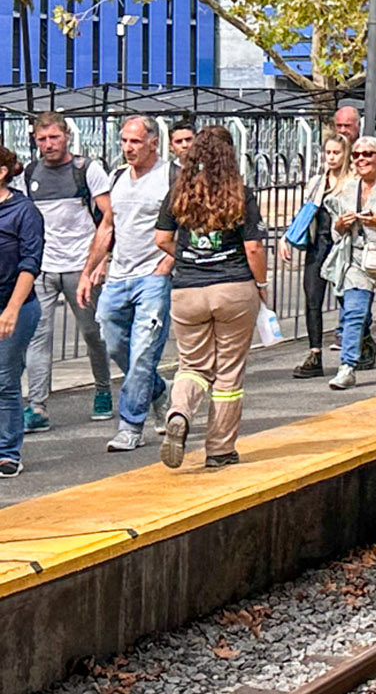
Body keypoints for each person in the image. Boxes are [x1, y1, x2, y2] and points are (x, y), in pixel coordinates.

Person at [155, 126, 267, 470]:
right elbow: (254, 247)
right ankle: (219, 449)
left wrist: (189, 255)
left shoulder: (180, 192)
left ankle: (179, 413)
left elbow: (161, 239)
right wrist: (261, 284)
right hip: (233, 288)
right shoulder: (241, 193)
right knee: (228, 372)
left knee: (192, 366)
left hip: (188, 289)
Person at [80, 116, 176, 451]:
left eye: (135, 141)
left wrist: (167, 264)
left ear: (153, 142)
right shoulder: (118, 176)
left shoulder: (170, 176)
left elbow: (187, 227)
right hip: (118, 276)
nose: (128, 148)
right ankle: (159, 391)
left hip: (152, 278)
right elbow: (108, 225)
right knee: (113, 343)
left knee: (143, 353)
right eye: (124, 141)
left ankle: (130, 425)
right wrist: (89, 269)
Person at [22, 111, 116, 429]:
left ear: (66, 136)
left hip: (81, 266)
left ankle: (103, 390)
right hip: (43, 269)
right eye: (42, 139)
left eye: (54, 137)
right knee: (38, 335)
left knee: (93, 333)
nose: (49, 145)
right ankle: (37, 406)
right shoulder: (31, 173)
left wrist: (100, 261)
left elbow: (108, 217)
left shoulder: (87, 170)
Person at [324, 136, 376, 389]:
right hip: (358, 258)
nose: (361, 160)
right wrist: (340, 225)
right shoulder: (349, 187)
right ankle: (347, 367)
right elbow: (336, 234)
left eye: (367, 154)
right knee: (354, 313)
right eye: (356, 155)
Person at [283, 134, 351, 379]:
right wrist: (287, 237)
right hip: (317, 246)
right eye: (328, 152)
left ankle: (360, 344)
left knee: (348, 299)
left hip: (342, 246)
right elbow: (304, 213)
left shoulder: (351, 182)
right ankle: (315, 353)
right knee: (312, 299)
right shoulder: (316, 182)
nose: (331, 157)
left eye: (336, 153)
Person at [0, 147, 45, 478]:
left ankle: (7, 451)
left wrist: (12, 308)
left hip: (16, 305)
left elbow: (30, 263)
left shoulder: (24, 211)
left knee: (4, 379)